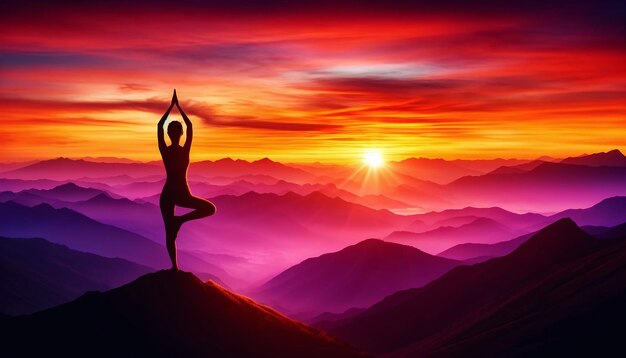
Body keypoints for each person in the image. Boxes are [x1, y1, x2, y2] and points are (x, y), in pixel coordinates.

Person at [158, 89, 216, 271]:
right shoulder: (182, 150)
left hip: (171, 193)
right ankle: (174, 267)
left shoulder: (167, 150)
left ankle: (174, 266)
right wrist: (177, 107)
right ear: (179, 134)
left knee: (170, 232)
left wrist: (172, 107)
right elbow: (189, 126)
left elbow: (160, 127)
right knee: (209, 209)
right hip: (180, 193)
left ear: (171, 134)